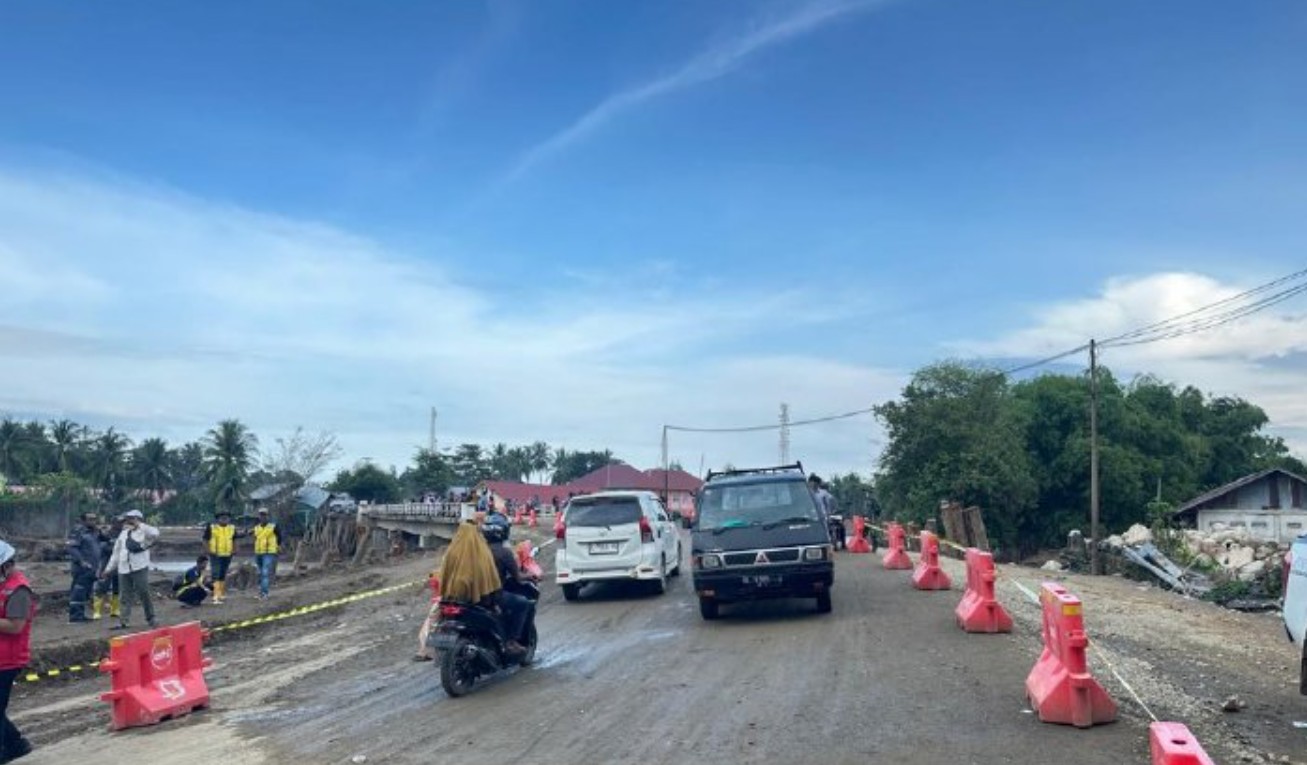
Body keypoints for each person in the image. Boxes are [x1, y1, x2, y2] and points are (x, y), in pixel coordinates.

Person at [437, 518, 526, 657]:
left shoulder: (450, 553)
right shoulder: (481, 555)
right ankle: (510, 642)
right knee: (518, 604)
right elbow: (489, 581)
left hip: (451, 599)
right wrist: (492, 601)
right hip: (477, 600)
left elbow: (443, 576)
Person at [0, 540, 35, 762]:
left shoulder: (19, 590)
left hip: (8, 660)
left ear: (6, 565)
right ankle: (16, 744)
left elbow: (15, 626)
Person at [481, 513, 533, 654]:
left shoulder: (477, 551)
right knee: (522, 603)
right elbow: (518, 578)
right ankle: (512, 641)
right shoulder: (504, 553)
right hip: (493, 595)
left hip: (472, 595)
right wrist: (531, 575)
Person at [101, 509, 159, 631]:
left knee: (143, 592)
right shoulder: (123, 534)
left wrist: (140, 525)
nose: (129, 521)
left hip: (139, 566)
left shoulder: (144, 531)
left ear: (138, 519)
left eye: (132, 518)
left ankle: (151, 617)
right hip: (124, 568)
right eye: (128, 519)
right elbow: (116, 553)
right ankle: (124, 621)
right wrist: (108, 569)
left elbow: (155, 533)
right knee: (124, 596)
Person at [65, 512, 101, 623]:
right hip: (81, 568)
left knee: (85, 592)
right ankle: (75, 616)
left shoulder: (94, 532)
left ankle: (80, 614)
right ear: (83, 520)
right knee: (78, 591)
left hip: (91, 569)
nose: (93, 521)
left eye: (95, 519)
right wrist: (81, 561)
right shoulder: (78, 531)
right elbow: (72, 548)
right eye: (90, 519)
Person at [201, 511, 239, 604]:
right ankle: (216, 595)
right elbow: (205, 539)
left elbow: (234, 539)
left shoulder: (232, 528)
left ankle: (221, 594)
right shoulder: (212, 528)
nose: (224, 519)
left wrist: (235, 549)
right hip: (215, 555)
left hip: (227, 554)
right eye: (222, 518)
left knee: (222, 574)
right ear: (217, 519)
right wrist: (208, 550)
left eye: (226, 518)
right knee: (216, 574)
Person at [92, 515, 123, 621]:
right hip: (106, 564)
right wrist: (113, 548)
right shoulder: (106, 534)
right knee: (102, 587)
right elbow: (102, 548)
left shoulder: (124, 534)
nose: (120, 524)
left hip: (119, 565)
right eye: (119, 522)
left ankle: (115, 610)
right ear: (113, 523)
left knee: (117, 587)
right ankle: (96, 611)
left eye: (122, 522)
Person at [251, 509, 282, 600]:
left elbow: (279, 537)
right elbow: (255, 538)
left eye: (264, 515)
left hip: (269, 552)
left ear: (268, 516)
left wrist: (277, 547)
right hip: (258, 552)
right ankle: (261, 592)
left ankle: (264, 593)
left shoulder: (273, 526)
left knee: (265, 572)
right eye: (261, 515)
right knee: (260, 573)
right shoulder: (256, 528)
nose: (263, 517)